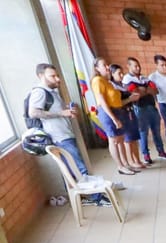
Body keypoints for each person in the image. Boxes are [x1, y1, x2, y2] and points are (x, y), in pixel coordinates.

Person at [29, 63, 110, 205]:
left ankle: (85, 196)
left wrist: (68, 111)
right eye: (52, 76)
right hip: (60, 137)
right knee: (79, 168)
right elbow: (33, 112)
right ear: (41, 76)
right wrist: (61, 113)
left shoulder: (52, 92)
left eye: (57, 75)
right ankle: (95, 198)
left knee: (73, 168)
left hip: (65, 134)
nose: (57, 79)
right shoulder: (40, 92)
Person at [91, 56, 140, 176]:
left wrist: (130, 99)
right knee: (113, 141)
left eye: (107, 65)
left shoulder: (107, 82)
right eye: (104, 65)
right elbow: (102, 102)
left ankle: (126, 164)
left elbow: (117, 101)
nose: (107, 67)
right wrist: (114, 118)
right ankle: (120, 166)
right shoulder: (97, 80)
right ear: (97, 68)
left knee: (121, 139)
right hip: (108, 113)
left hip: (118, 111)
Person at [123, 57, 166, 164]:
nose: (138, 67)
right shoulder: (127, 79)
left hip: (151, 107)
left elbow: (155, 91)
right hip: (140, 108)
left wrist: (143, 90)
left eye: (138, 65)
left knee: (156, 131)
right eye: (135, 66)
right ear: (128, 66)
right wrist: (146, 90)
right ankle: (146, 155)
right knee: (143, 133)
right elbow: (136, 94)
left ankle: (161, 151)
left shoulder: (145, 77)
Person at [108, 64, 145, 171]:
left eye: (122, 72)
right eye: (118, 73)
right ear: (112, 74)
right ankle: (130, 162)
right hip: (122, 113)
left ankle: (137, 160)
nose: (121, 75)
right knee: (128, 139)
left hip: (130, 111)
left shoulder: (122, 85)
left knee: (134, 137)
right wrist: (130, 99)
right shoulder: (113, 87)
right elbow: (118, 103)